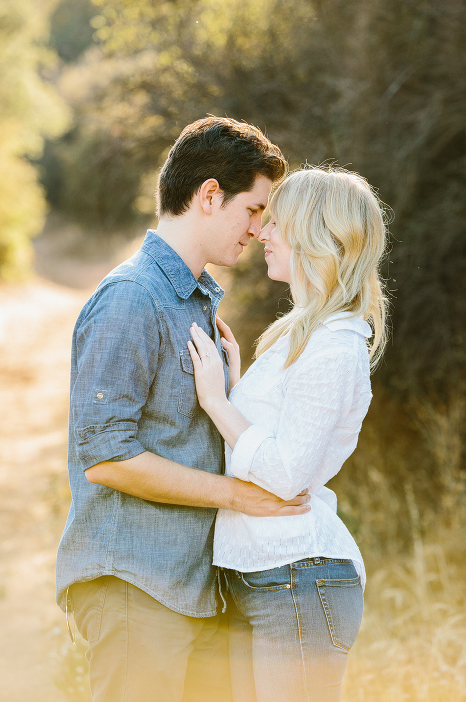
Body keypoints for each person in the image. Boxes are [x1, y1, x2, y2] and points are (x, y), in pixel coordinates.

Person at [55, 117, 309, 702]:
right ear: (210, 196)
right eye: (253, 210)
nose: (257, 229)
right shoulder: (131, 298)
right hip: (134, 586)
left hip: (192, 589)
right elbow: (105, 459)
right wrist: (240, 496)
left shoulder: (194, 304)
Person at [185, 166, 387, 701]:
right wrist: (233, 387)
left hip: (298, 577)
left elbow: (286, 474)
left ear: (317, 235)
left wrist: (216, 403)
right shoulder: (301, 335)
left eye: (278, 222)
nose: (262, 233)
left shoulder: (335, 348)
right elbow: (271, 441)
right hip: (259, 575)